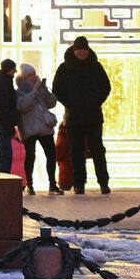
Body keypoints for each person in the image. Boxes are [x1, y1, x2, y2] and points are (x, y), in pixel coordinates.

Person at [52, 36, 111, 195]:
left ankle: (103, 182)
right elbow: (56, 89)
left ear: (88, 50)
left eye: (84, 50)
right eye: (79, 50)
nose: (82, 53)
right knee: (76, 151)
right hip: (74, 117)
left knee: (97, 149)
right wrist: (70, 104)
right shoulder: (65, 68)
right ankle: (79, 183)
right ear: (74, 50)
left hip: (93, 116)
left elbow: (106, 86)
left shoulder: (95, 66)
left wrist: (96, 101)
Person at [15, 63, 60, 194]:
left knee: (51, 155)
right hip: (29, 129)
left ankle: (52, 183)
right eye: (29, 75)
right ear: (23, 77)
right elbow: (23, 106)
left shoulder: (40, 89)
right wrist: (34, 90)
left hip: (44, 128)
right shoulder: (19, 92)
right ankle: (29, 183)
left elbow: (52, 103)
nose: (33, 77)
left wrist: (44, 89)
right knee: (30, 156)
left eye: (34, 74)